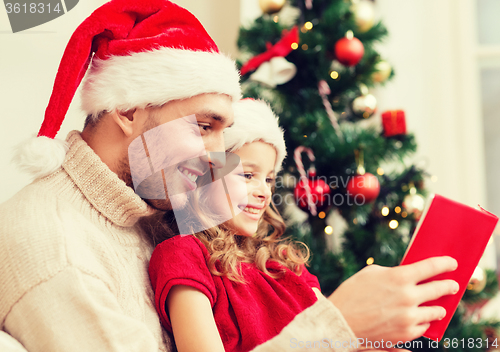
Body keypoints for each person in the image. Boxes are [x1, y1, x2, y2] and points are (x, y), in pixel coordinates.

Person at [0, 0, 458, 351]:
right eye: (204, 126)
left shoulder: (150, 210)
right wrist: (336, 326)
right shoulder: (56, 249)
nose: (221, 159)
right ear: (126, 109)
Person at [146, 99, 460, 352]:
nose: (264, 191)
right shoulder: (182, 255)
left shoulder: (284, 266)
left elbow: (340, 337)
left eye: (269, 179)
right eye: (247, 175)